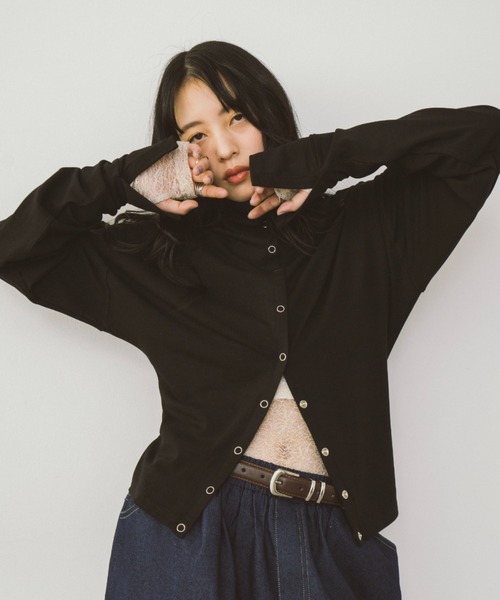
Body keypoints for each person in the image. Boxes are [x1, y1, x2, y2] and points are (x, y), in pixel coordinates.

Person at [0, 40, 498, 600]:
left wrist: (326, 157)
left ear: (268, 112)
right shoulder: (159, 257)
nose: (223, 147)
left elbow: (483, 138)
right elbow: (16, 250)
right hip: (185, 535)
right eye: (195, 135)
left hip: (335, 536)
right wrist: (121, 181)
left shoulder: (366, 231)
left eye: (236, 116)